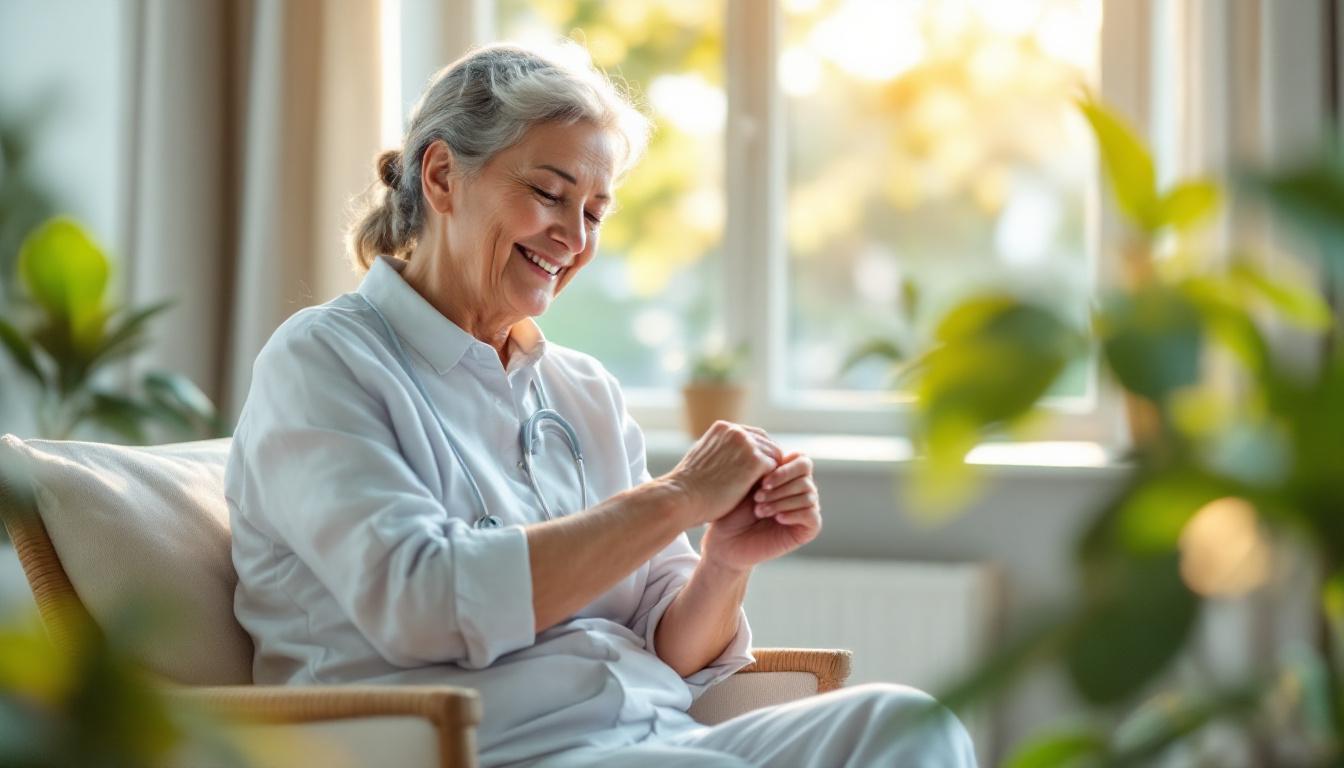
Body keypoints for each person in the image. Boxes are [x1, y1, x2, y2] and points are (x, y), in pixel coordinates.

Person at [225, 43, 975, 768]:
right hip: (494, 749)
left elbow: (674, 645)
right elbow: (424, 600)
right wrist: (677, 496)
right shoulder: (322, 362)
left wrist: (722, 562)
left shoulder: (580, 388)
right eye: (550, 194)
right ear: (444, 175)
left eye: (594, 210)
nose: (573, 236)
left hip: (654, 737)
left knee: (906, 724)